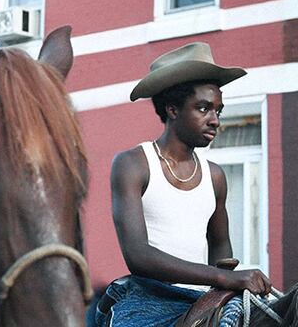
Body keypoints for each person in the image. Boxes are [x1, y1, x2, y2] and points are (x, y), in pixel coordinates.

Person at [96, 42, 271, 326]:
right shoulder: (133, 164)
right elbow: (137, 255)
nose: (214, 120)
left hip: (202, 300)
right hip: (146, 299)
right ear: (172, 110)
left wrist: (225, 286)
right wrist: (223, 277)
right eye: (203, 108)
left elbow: (220, 247)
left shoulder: (214, 176)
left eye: (218, 111)